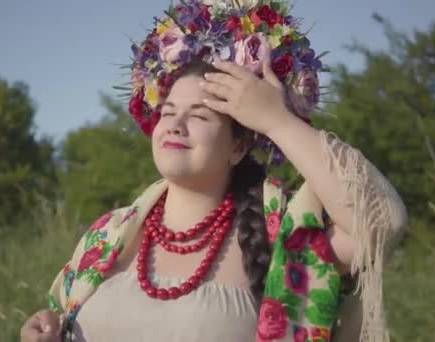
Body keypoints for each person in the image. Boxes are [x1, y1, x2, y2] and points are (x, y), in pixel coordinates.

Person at [20, 1, 407, 341]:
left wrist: (278, 121)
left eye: (199, 115)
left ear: (238, 146)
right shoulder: (107, 236)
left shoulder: (284, 239)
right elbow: (56, 319)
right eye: (168, 112)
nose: (174, 124)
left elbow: (379, 221)